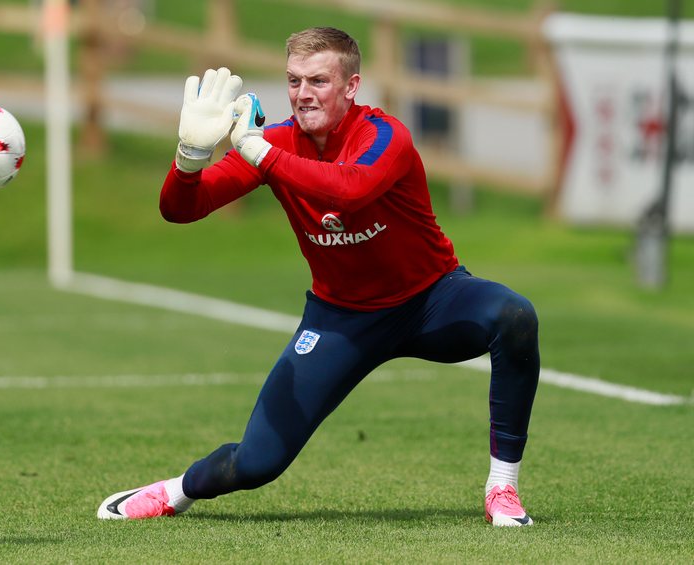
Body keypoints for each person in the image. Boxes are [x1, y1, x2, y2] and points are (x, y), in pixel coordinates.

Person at [97, 27, 540, 527]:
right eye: (294, 80)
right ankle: (176, 490)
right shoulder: (273, 143)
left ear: (352, 86)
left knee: (513, 315)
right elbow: (181, 209)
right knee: (256, 463)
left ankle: (502, 488)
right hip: (341, 319)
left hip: (432, 300)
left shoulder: (384, 135)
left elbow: (350, 189)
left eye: (318, 81)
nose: (303, 93)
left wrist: (260, 153)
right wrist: (189, 157)